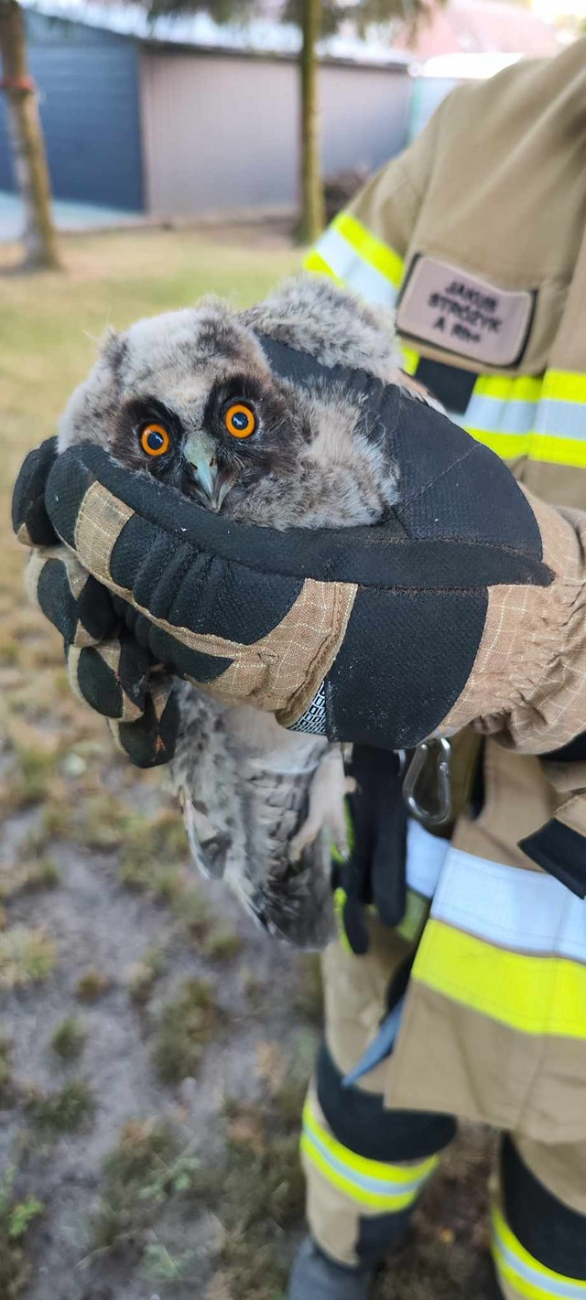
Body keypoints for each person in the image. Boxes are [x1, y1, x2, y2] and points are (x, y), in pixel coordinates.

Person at [11, 37, 586, 1300]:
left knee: (565, 1231)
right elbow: (261, 352)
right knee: (359, 1100)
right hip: (390, 838)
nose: (211, 461)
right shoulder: (488, 131)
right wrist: (127, 460)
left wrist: (559, 648)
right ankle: (335, 1254)